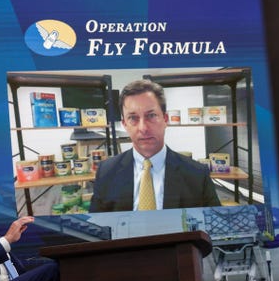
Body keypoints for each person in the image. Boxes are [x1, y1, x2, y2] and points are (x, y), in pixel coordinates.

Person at [89, 78, 222, 212]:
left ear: (165, 119)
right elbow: (95, 227)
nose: (143, 128)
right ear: (125, 125)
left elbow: (216, 228)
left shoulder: (197, 175)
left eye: (151, 115)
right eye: (133, 118)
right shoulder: (106, 172)